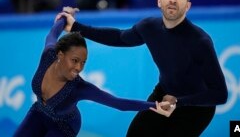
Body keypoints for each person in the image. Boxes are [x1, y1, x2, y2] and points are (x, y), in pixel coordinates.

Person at [57, 0, 228, 137]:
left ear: (187, 6)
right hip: (164, 94)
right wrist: (75, 27)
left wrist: (178, 101)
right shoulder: (149, 27)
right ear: (159, 0)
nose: (173, 0)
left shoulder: (200, 41)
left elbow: (220, 94)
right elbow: (118, 37)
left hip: (196, 107)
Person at [13, 9, 174, 137]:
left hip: (64, 127)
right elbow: (52, 34)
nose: (79, 68)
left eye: (83, 63)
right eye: (75, 60)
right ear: (60, 55)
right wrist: (65, 16)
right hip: (39, 113)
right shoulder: (48, 56)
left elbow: (118, 103)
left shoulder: (79, 88)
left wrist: (154, 105)